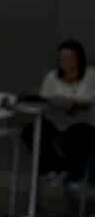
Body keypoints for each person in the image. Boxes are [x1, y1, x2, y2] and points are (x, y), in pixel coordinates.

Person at [25, 39, 95, 183]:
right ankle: (51, 169)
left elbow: (88, 101)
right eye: (62, 58)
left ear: (79, 58)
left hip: (81, 123)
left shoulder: (90, 75)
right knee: (30, 131)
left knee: (76, 135)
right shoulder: (51, 76)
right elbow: (45, 99)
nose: (65, 62)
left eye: (69, 58)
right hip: (55, 120)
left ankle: (72, 173)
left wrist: (71, 103)